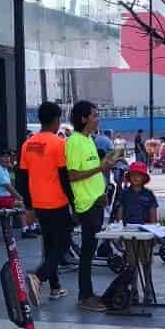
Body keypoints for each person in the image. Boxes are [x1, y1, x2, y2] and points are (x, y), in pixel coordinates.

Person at [19, 101, 75, 303]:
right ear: (55, 120)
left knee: (50, 245)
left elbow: (22, 178)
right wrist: (74, 202)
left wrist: (28, 206)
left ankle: (55, 287)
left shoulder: (28, 144)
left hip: (39, 203)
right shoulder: (58, 143)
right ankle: (38, 277)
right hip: (57, 202)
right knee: (61, 246)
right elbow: (64, 177)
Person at [65, 100, 117, 312]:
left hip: (96, 202)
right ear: (84, 118)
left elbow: (92, 171)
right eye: (95, 115)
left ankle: (87, 293)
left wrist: (102, 190)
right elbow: (73, 175)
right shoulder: (75, 142)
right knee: (87, 251)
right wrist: (100, 169)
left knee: (90, 249)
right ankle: (85, 295)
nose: (98, 119)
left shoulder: (89, 140)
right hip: (86, 205)